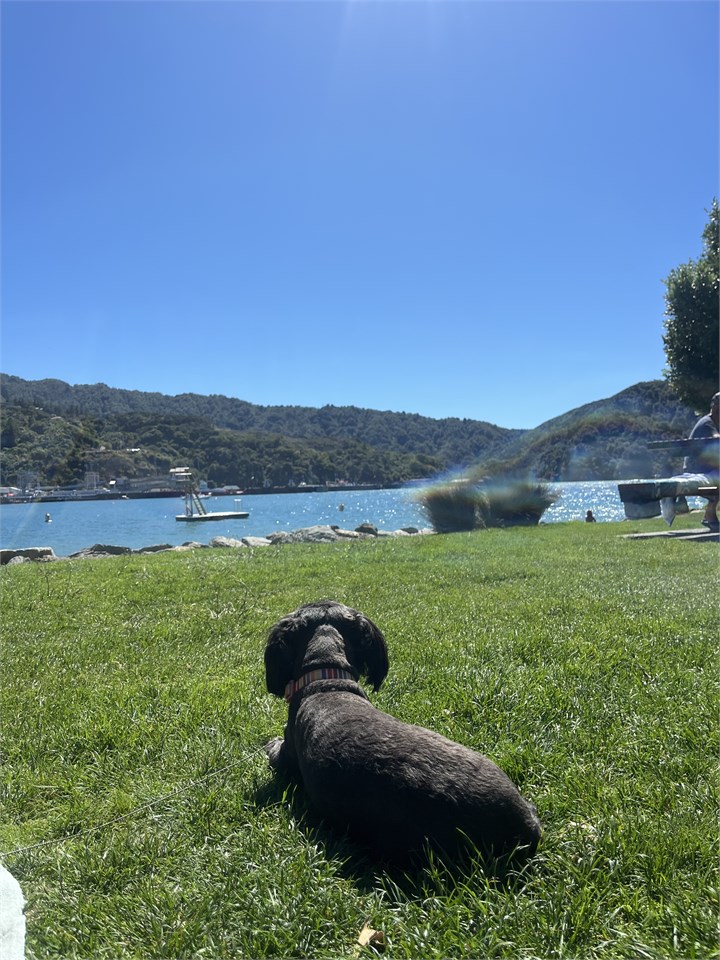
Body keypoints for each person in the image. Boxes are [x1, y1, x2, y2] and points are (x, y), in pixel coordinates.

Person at [683, 392, 720, 530]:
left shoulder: (714, 422)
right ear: (716, 408)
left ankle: (707, 516)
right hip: (696, 469)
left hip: (704, 467)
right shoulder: (707, 423)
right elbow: (716, 439)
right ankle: (710, 515)